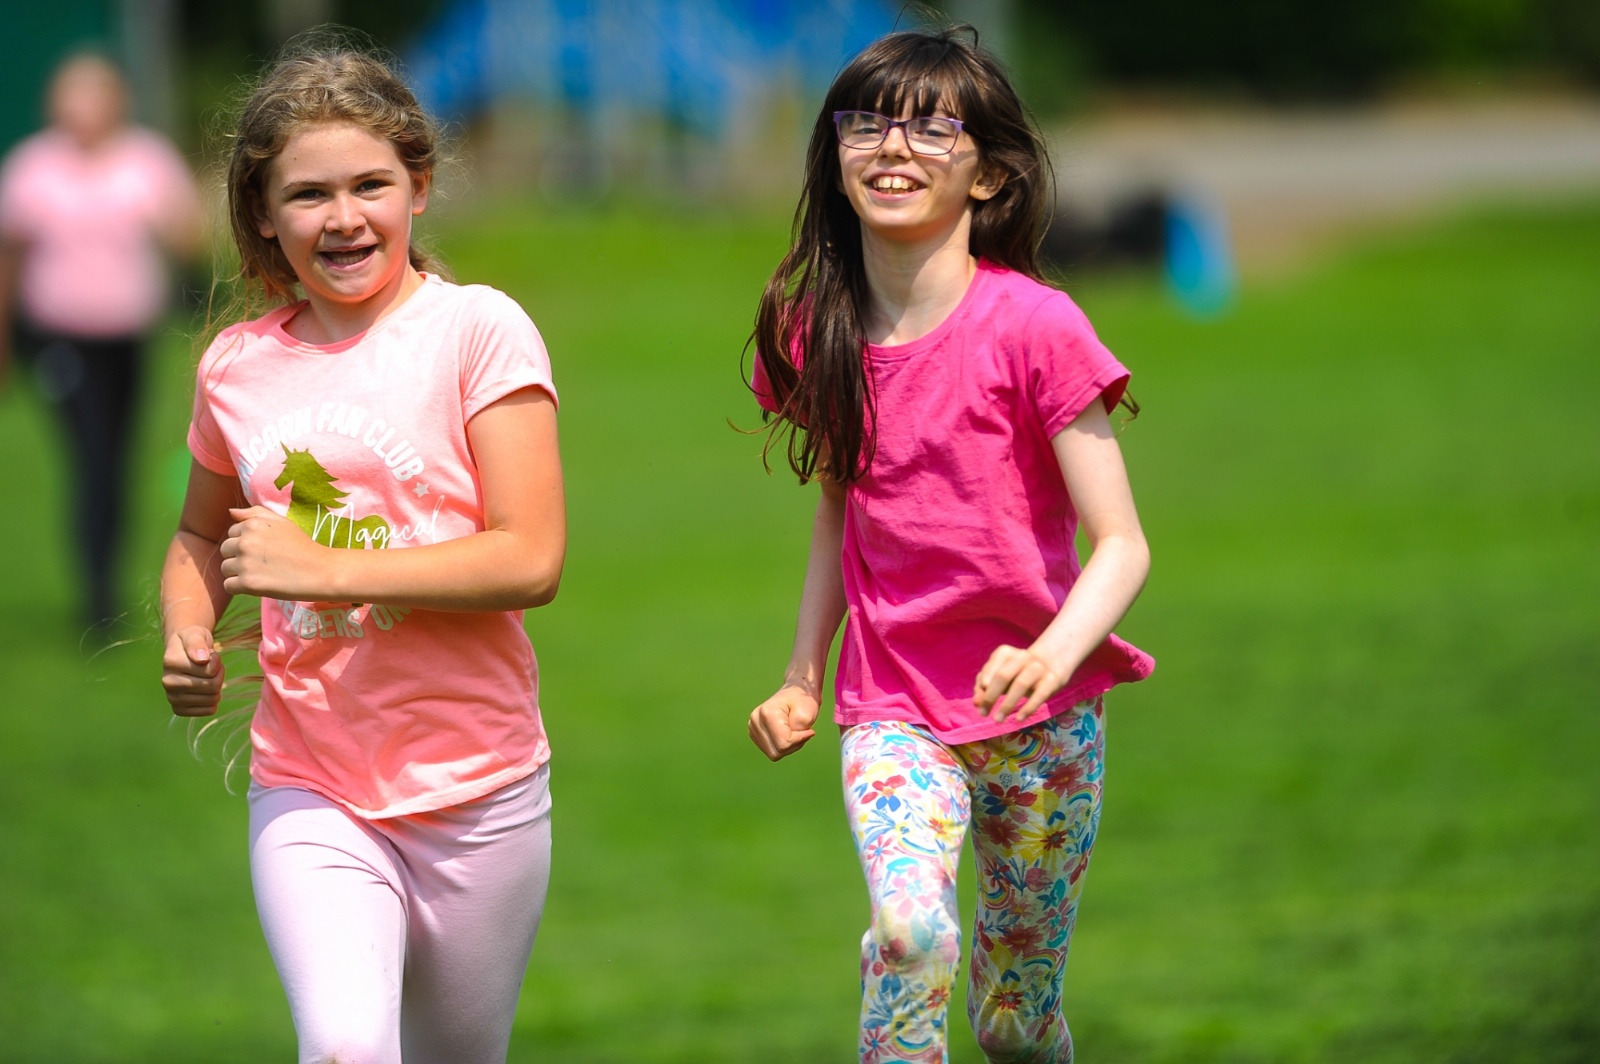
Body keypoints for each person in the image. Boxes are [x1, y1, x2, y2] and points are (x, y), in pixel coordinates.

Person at [746, 26, 1153, 1064]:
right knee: (910, 931)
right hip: (894, 709)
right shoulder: (812, 329)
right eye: (865, 124)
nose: (893, 146)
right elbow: (840, 506)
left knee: (1014, 1023)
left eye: (932, 129)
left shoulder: (1038, 328)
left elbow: (1121, 544)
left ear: (989, 173)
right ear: (833, 158)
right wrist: (801, 675)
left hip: (1045, 721)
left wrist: (1051, 654)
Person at [157, 38, 565, 1064]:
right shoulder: (235, 367)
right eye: (308, 194)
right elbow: (200, 531)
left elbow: (530, 558)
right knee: (344, 1046)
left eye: (369, 185)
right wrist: (188, 628)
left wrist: (327, 569)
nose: (343, 217)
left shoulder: (477, 330)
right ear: (263, 214)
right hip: (310, 780)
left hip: (477, 787)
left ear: (417, 187)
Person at [0, 51, 204, 628]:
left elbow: (190, 239)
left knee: (116, 459)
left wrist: (176, 227)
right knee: (92, 456)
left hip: (128, 341)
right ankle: (96, 597)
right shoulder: (34, 168)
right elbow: (9, 261)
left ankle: (107, 578)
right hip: (60, 339)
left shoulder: (145, 160)